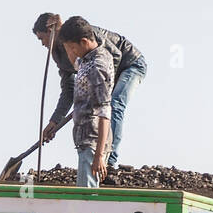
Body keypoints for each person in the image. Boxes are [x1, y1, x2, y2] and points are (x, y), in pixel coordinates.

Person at [34, 13, 146, 174]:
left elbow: (115, 55)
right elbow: (68, 91)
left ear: (51, 31)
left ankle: (109, 161)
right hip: (106, 75)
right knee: (101, 106)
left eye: (41, 38)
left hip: (130, 64)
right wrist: (54, 121)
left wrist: (102, 86)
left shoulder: (82, 33)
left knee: (112, 105)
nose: (43, 44)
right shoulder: (59, 55)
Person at [49, 17, 115, 188]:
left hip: (93, 141)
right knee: (84, 193)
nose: (71, 51)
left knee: (88, 195)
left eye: (72, 47)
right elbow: (75, 62)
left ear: (84, 41)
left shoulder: (97, 67)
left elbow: (104, 111)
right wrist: (60, 31)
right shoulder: (87, 60)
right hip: (85, 140)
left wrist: (99, 155)